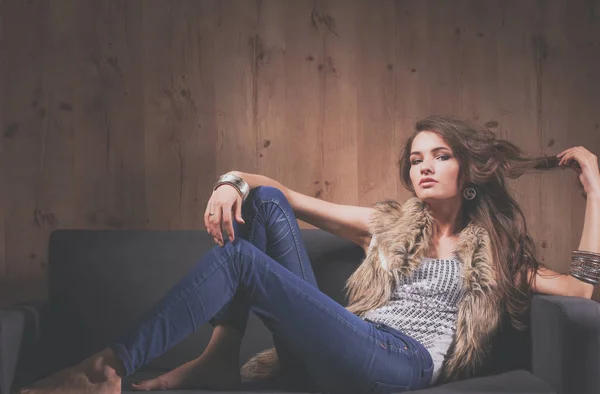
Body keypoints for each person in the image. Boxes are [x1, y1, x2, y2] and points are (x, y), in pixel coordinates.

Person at [20, 116, 600, 394]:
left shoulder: (494, 256)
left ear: (465, 170)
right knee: (265, 200)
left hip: (401, 364)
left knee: (243, 263)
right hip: (350, 340)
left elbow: (584, 292)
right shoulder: (390, 226)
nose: (423, 165)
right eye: (416, 157)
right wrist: (230, 183)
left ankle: (107, 371)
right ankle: (219, 357)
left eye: (439, 155)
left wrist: (595, 192)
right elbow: (281, 194)